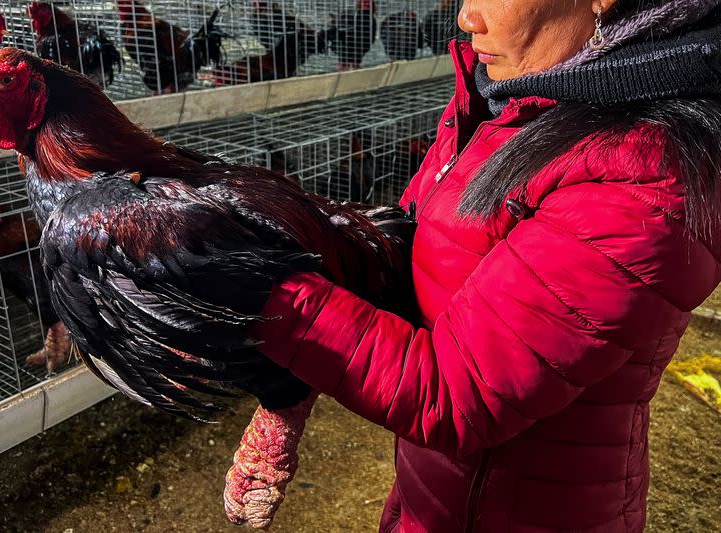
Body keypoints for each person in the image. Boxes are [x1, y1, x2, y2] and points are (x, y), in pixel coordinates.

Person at [250, 0, 721, 531]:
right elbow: (423, 263)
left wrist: (256, 290)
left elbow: (458, 394)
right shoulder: (512, 100)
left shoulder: (648, 171)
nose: (465, 18)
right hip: (442, 494)